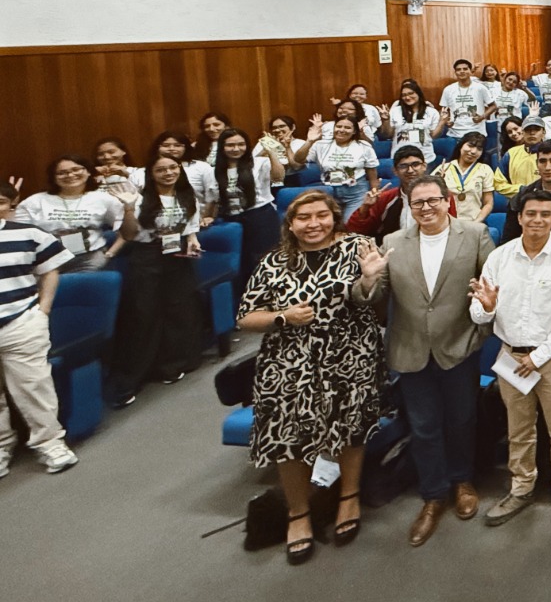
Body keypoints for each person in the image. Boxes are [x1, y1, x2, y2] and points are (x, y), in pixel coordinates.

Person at [236, 190, 386, 563]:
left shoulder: (358, 247)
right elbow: (245, 316)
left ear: (334, 217)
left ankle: (349, 498)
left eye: (322, 215)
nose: (313, 223)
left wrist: (368, 281)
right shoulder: (274, 260)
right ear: (291, 223)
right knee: (287, 437)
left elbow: (373, 297)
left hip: (349, 357)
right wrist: (282, 317)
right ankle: (298, 513)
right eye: (304, 217)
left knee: (351, 428)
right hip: (289, 365)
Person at [354, 175, 496, 546]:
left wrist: (480, 330)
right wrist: (368, 280)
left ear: (447, 200)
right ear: (409, 206)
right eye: (418, 203)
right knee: (423, 425)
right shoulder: (392, 243)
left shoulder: (476, 234)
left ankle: (462, 480)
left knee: (462, 419)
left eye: (433, 200)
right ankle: (433, 495)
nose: (426, 208)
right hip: (410, 347)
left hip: (459, 345)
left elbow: (488, 288)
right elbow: (373, 297)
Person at [469, 188, 551, 532]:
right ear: (519, 217)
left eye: (545, 214)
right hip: (510, 355)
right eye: (531, 213)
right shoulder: (500, 257)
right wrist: (488, 307)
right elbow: (478, 312)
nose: (538, 220)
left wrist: (539, 356)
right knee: (518, 430)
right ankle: (521, 487)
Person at [107, 154, 202, 406]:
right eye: (161, 170)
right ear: (151, 173)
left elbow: (190, 227)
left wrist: (193, 241)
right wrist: (127, 208)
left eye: (173, 168)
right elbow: (128, 234)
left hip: (178, 255)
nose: (168, 173)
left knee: (178, 311)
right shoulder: (138, 198)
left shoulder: (186, 195)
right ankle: (134, 376)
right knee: (144, 314)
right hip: (147, 257)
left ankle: (173, 365)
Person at [0, 182, 79, 477]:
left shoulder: (28, 234)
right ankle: (2, 446)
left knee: (33, 386)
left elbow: (49, 270)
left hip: (21, 320)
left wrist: (42, 309)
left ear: (10, 204)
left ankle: (50, 443)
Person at [16, 156, 127, 272]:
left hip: (90, 260)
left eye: (76, 169)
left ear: (88, 172)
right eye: (62, 173)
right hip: (47, 260)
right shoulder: (34, 201)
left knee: (85, 288)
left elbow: (127, 231)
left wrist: (109, 254)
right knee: (50, 290)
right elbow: (17, 234)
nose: (70, 175)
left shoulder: (104, 199)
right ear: (53, 178)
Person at [212, 127, 282, 281]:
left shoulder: (259, 162)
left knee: (264, 261)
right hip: (231, 219)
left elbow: (278, 177)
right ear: (222, 147)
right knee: (241, 265)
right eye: (230, 145)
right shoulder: (215, 170)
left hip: (260, 217)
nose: (236, 149)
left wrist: (271, 152)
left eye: (241, 144)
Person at [347, 145, 451, 238]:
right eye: (403, 166)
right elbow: (356, 231)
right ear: (395, 171)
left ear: (424, 166)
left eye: (415, 164)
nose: (410, 170)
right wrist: (365, 207)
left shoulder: (441, 196)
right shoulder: (386, 198)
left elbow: (451, 227)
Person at [293, 114, 379, 220]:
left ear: (354, 131)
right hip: (328, 191)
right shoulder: (321, 145)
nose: (342, 130)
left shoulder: (364, 146)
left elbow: (372, 172)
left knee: (350, 224)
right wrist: (309, 141)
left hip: (355, 192)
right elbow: (298, 159)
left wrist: (374, 190)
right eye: (339, 126)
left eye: (347, 128)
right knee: (330, 225)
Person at [435, 132, 495, 223]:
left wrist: (476, 223)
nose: (473, 151)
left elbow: (488, 203)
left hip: (474, 222)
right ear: (461, 146)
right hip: (446, 222)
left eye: (479, 149)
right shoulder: (444, 168)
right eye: (470, 146)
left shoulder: (485, 170)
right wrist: (438, 181)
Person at [389, 78, 445, 164]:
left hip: (425, 158)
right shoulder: (395, 111)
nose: (407, 97)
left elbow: (433, 136)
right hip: (400, 158)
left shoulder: (431, 111)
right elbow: (387, 134)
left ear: (418, 93)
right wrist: (385, 120)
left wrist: (442, 122)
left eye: (411, 93)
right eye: (404, 95)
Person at [440, 58, 495, 137]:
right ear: (455, 72)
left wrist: (482, 117)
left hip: (477, 133)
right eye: (458, 69)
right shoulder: (448, 89)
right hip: (455, 134)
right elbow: (443, 109)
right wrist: (446, 121)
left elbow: (493, 106)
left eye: (465, 69)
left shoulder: (480, 88)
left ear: (470, 71)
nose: (462, 71)